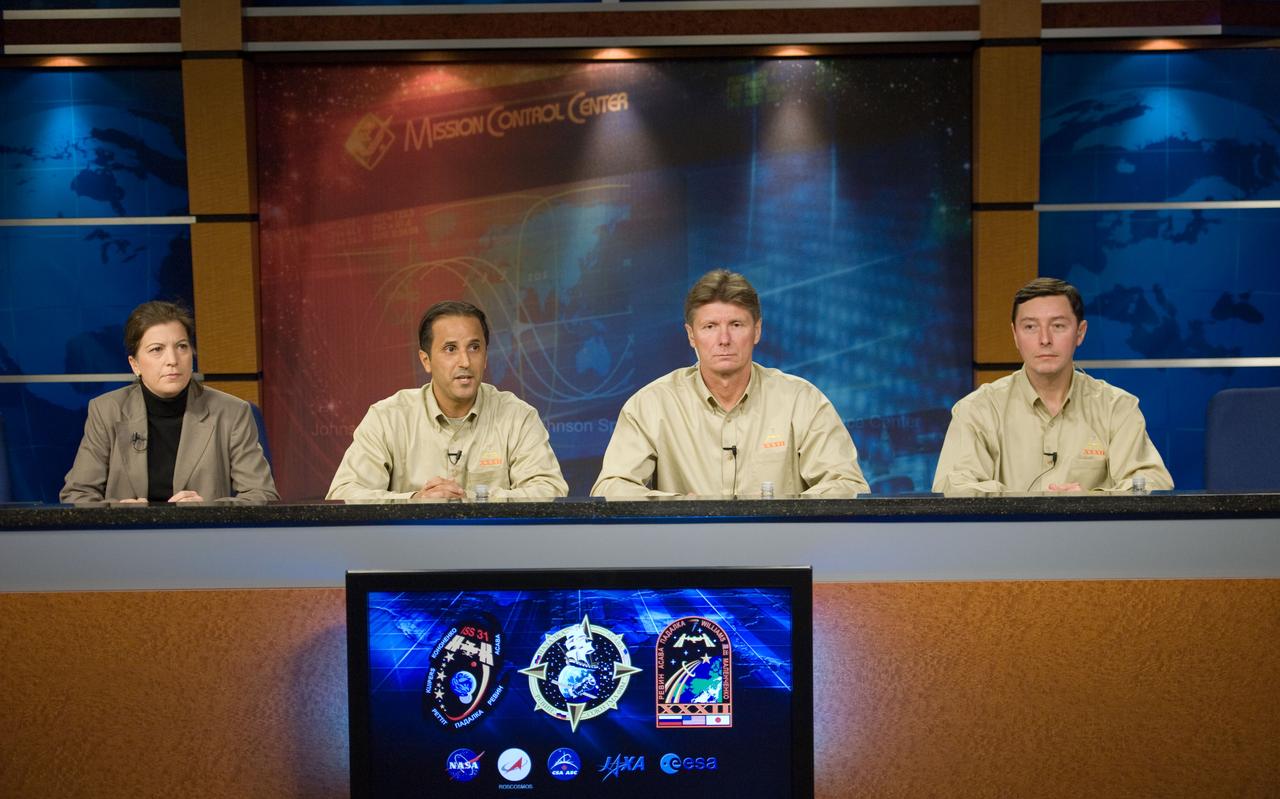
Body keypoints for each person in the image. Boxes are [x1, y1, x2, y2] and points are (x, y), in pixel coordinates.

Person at [591, 269, 869, 498]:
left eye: (736, 325)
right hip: (687, 546)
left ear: (757, 330)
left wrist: (781, 511)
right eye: (710, 327)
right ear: (691, 335)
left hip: (780, 546)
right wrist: (678, 507)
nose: (724, 340)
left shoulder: (801, 401)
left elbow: (848, 485)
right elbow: (611, 488)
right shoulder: (651, 405)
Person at [933, 277, 1173, 495]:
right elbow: (954, 488)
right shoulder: (978, 410)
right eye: (1030, 327)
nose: (1045, 339)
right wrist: (1031, 505)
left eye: (1058, 326)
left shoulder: (1117, 408)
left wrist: (1090, 502)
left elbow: (1153, 484)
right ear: (1015, 335)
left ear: (1080, 333)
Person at [327, 300, 568, 500]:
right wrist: (414, 501)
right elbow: (343, 495)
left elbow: (551, 491)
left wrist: (474, 499)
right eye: (450, 349)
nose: (465, 361)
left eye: (474, 347)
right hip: (411, 544)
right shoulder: (388, 418)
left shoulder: (518, 416)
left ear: (485, 357)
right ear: (426, 360)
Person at [61, 301, 278, 504]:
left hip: (202, 532)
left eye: (182, 347)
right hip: (129, 533)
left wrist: (208, 511)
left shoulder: (231, 412)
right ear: (135, 365)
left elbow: (262, 494)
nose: (173, 360)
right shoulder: (107, 411)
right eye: (157, 349)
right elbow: (77, 494)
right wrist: (119, 514)